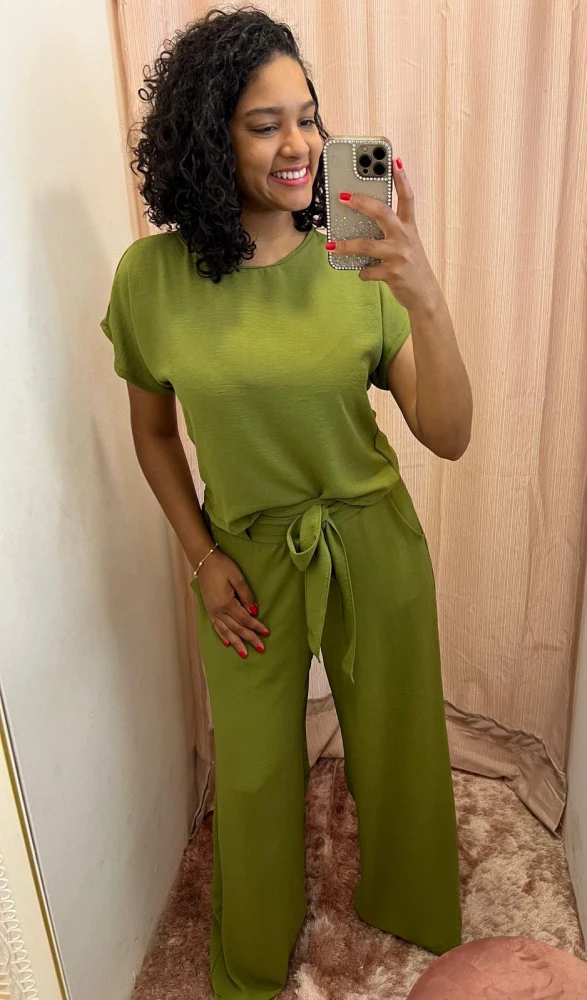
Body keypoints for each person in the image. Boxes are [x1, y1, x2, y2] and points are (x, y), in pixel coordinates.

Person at [99, 6, 472, 999]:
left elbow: (448, 433)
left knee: (396, 747)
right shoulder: (151, 279)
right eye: (265, 125)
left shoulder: (358, 262)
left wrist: (424, 290)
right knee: (257, 774)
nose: (300, 144)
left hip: (371, 540)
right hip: (245, 561)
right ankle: (255, 960)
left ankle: (411, 908)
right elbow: (152, 433)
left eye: (307, 117)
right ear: (208, 136)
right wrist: (200, 557)